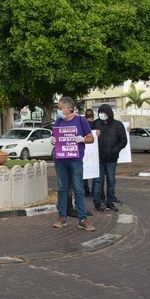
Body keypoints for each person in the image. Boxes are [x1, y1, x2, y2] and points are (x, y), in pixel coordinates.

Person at [50, 96, 96, 232]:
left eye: (60, 108)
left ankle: (82, 219)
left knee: (78, 189)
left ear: (69, 109)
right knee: (62, 188)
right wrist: (53, 140)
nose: (58, 111)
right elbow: (55, 137)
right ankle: (61, 217)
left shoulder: (81, 121)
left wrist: (82, 139)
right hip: (60, 160)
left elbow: (91, 138)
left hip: (75, 160)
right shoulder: (58, 122)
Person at [91, 104, 127, 212]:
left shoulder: (118, 125)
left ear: (109, 114)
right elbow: (88, 135)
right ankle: (97, 202)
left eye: (104, 113)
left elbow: (123, 141)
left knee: (111, 181)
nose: (101, 115)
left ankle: (110, 202)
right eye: (100, 113)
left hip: (111, 159)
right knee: (98, 181)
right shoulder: (95, 123)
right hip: (98, 159)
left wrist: (114, 150)